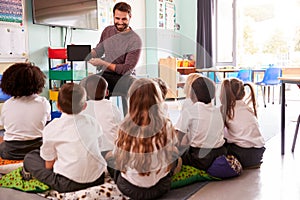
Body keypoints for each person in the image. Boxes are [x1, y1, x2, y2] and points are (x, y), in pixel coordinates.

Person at [23, 83, 106, 193]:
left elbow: (49, 164)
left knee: (30, 158)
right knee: (42, 153)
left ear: (58, 106)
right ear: (85, 106)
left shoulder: (52, 127)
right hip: (98, 178)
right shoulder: (93, 122)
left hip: (67, 183)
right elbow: (99, 147)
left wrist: (50, 169)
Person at [113, 78, 180, 200]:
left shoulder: (124, 126)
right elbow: (172, 150)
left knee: (115, 163)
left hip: (130, 189)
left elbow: (117, 156)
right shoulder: (166, 125)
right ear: (158, 99)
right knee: (176, 156)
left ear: (132, 100)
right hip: (159, 188)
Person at [89, 2, 142, 115]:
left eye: (124, 19)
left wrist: (103, 62)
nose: (120, 22)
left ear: (130, 17)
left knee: (136, 86)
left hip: (125, 77)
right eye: (117, 18)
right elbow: (98, 50)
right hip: (106, 75)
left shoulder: (135, 40)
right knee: (86, 83)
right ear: (113, 16)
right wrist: (84, 52)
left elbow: (126, 68)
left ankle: (131, 123)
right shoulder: (107, 31)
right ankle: (95, 121)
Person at [0, 62, 51, 160]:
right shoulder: (43, 103)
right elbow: (46, 126)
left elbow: (5, 127)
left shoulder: (8, 104)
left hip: (10, 152)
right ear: (39, 82)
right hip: (37, 150)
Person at [175, 76, 227, 170]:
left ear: (192, 94)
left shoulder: (190, 110)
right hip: (220, 153)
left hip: (200, 158)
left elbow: (179, 137)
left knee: (176, 152)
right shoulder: (218, 111)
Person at [220, 78, 265, 168]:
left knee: (219, 146)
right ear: (243, 94)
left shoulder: (227, 110)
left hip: (242, 154)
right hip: (258, 153)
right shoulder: (247, 107)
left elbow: (219, 134)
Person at [81, 74, 122, 157]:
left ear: (85, 93)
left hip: (91, 150)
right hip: (111, 148)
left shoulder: (83, 108)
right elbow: (120, 126)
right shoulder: (112, 106)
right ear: (107, 92)